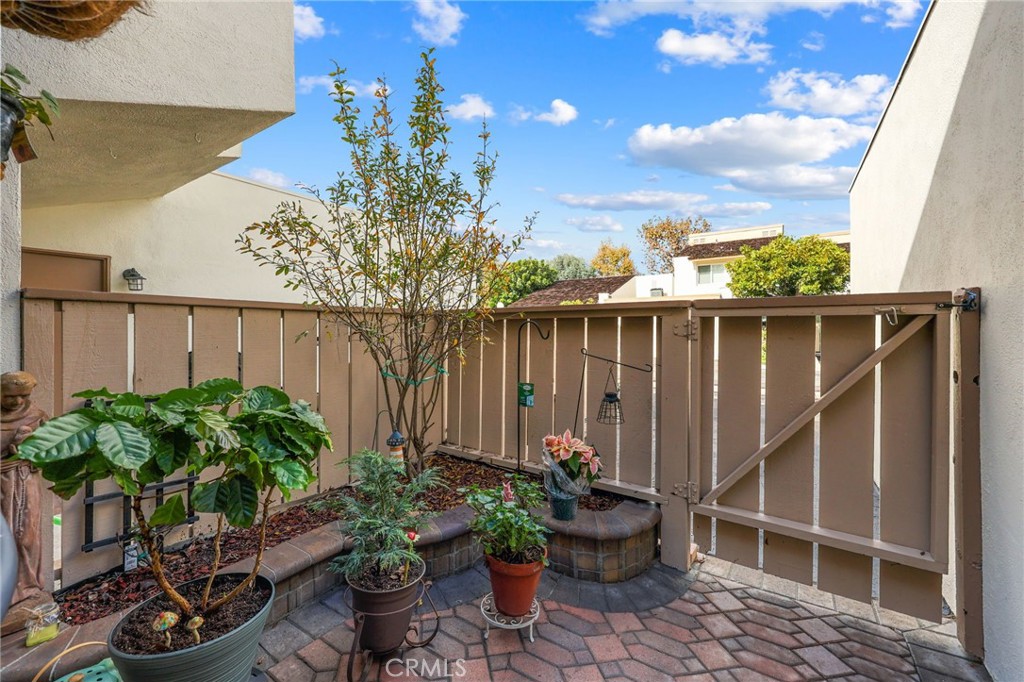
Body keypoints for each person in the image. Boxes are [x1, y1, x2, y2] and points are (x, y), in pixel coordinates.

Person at [0, 371, 50, 633]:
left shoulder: (37, 415)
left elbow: (52, 450)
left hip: (27, 481)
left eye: (24, 396)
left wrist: (31, 448)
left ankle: (28, 587)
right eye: (10, 397)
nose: (18, 402)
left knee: (27, 535)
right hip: (2, 485)